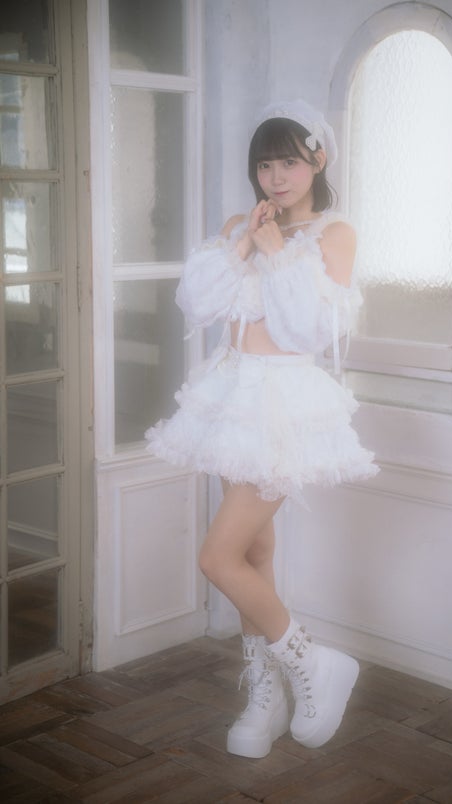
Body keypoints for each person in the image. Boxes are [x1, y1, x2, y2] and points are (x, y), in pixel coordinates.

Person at [146, 99, 378, 759]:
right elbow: (197, 303)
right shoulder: (240, 224)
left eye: (289, 164)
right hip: (232, 397)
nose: (275, 178)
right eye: (265, 165)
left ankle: (311, 661)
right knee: (252, 551)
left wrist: (276, 255)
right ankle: (265, 695)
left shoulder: (335, 234)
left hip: (284, 402)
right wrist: (245, 243)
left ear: (317, 161)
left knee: (215, 556)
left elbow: (309, 331)